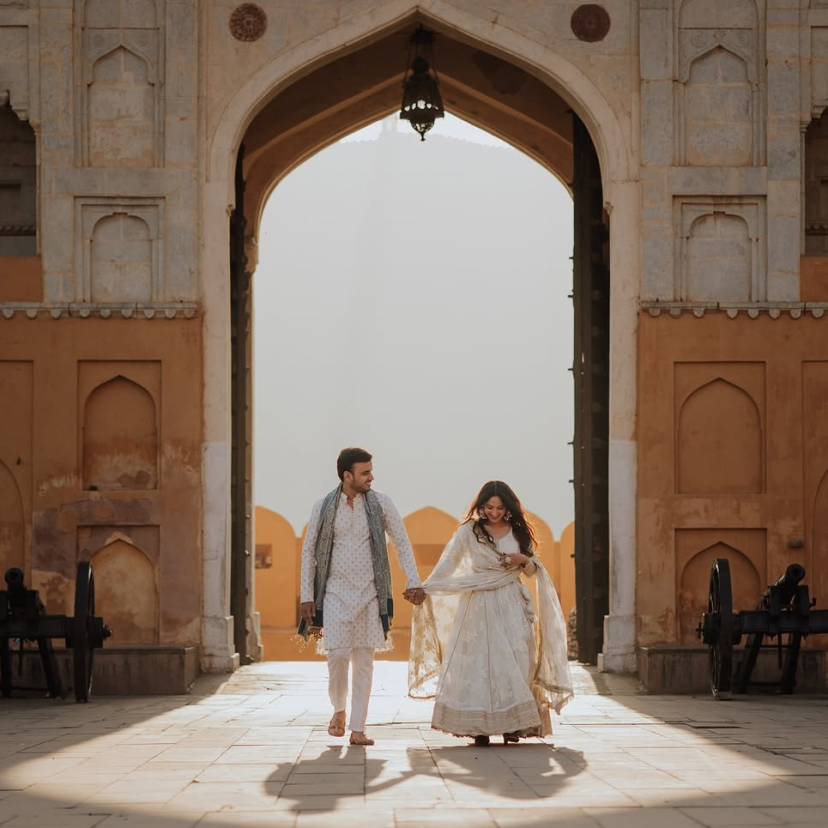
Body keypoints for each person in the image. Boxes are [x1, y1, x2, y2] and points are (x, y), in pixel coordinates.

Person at [408, 480, 573, 746]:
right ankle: (479, 728)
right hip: (477, 605)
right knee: (479, 664)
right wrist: (426, 588)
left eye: (499, 507)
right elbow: (447, 566)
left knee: (517, 660)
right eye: (489, 507)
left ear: (508, 507)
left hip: (511, 603)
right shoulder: (469, 532)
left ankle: (514, 726)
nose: (494, 512)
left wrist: (523, 560)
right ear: (481, 507)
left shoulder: (518, 531)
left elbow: (532, 570)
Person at [299, 447, 425, 746]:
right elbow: (309, 551)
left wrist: (414, 578)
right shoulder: (323, 506)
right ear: (347, 476)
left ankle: (357, 728)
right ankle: (339, 710)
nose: (372, 476)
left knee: (365, 662)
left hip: (371, 593)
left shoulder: (382, 503)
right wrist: (306, 594)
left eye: (371, 470)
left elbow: (401, 542)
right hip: (333, 593)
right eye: (365, 472)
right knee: (338, 656)